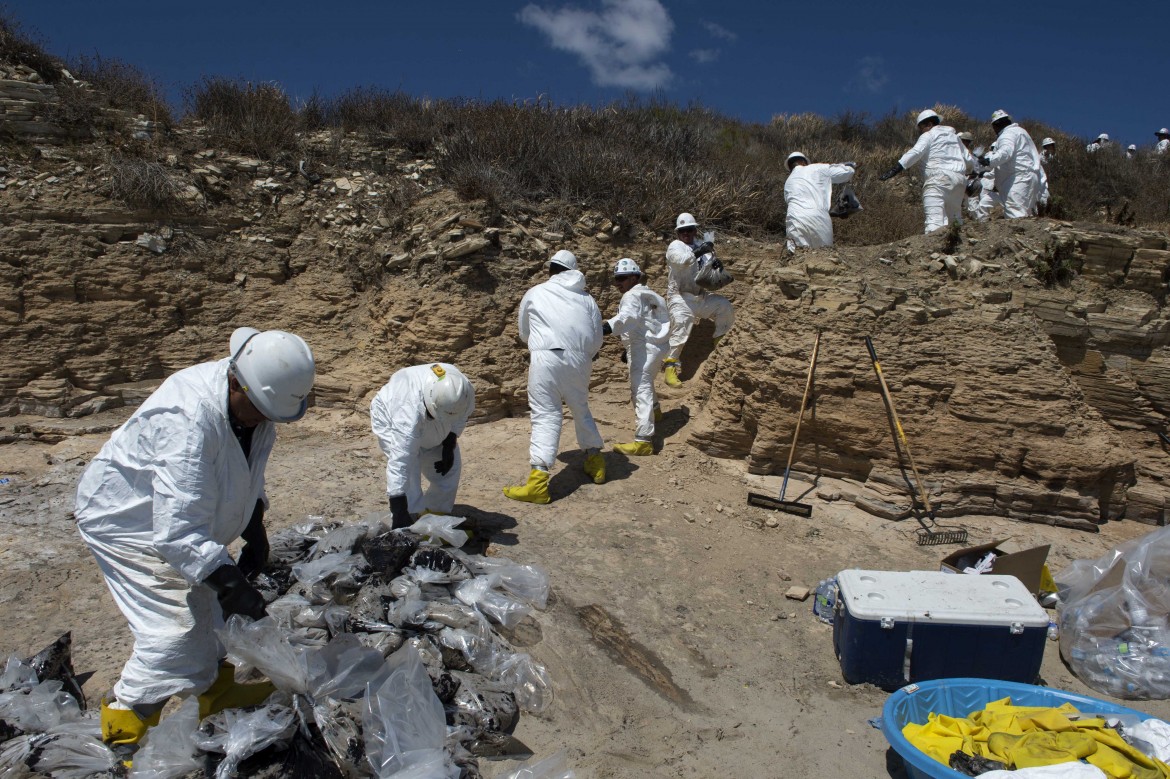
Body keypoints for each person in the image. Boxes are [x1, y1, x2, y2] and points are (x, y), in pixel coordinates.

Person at [75, 327, 316, 757]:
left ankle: (217, 694)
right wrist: (228, 583)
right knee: (174, 635)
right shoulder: (187, 419)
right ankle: (122, 734)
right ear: (235, 380)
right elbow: (175, 533)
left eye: (270, 413)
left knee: (214, 613)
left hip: (181, 521)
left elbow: (244, 473)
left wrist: (254, 524)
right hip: (131, 524)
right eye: (259, 409)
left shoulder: (249, 408)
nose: (263, 419)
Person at [503, 249, 606, 504]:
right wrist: (581, 354)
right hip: (581, 359)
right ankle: (596, 462)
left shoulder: (536, 292)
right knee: (580, 407)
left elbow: (524, 333)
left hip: (547, 356)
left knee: (547, 414)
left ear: (551, 269)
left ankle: (538, 483)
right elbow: (596, 340)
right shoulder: (587, 299)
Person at [371, 363, 475, 528]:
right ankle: (410, 515)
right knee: (410, 467)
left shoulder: (463, 391)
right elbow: (400, 460)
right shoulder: (407, 408)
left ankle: (436, 513)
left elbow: (462, 416)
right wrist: (397, 506)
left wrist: (450, 440)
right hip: (390, 417)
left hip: (434, 418)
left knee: (450, 467)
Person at [602, 258, 671, 456]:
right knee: (647, 382)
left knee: (640, 389)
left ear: (634, 277)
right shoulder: (652, 295)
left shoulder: (632, 296)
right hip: (657, 347)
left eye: (622, 278)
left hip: (644, 349)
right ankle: (656, 413)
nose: (618, 283)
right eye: (616, 278)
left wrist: (604, 328)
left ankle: (643, 441)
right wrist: (628, 348)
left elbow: (627, 319)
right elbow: (648, 323)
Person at [663, 213, 735, 386]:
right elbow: (681, 261)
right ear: (677, 233)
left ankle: (720, 345)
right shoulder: (675, 246)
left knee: (724, 307)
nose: (686, 233)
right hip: (678, 296)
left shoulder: (701, 246)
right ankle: (670, 367)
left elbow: (708, 270)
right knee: (683, 320)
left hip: (699, 297)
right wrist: (699, 251)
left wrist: (716, 265)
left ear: (695, 230)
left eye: (689, 230)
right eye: (682, 231)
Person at [878, 109, 974, 233]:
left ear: (929, 125)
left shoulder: (929, 135)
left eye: (921, 128)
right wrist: (969, 174)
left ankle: (936, 250)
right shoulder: (955, 138)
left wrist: (895, 169)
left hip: (938, 180)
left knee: (934, 223)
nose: (921, 131)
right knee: (955, 219)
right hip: (959, 181)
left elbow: (916, 152)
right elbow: (969, 161)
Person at [782, 152, 857, 253]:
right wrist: (850, 166)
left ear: (790, 167)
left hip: (795, 217)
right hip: (819, 219)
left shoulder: (788, 181)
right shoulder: (817, 168)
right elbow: (846, 173)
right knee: (824, 257)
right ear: (803, 162)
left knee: (796, 257)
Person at [981, 109, 1044, 219]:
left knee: (1015, 213)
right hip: (1029, 177)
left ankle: (1020, 236)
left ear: (996, 125)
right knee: (1026, 213)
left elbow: (1006, 152)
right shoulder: (1021, 132)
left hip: (1017, 179)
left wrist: (989, 161)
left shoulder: (1007, 134)